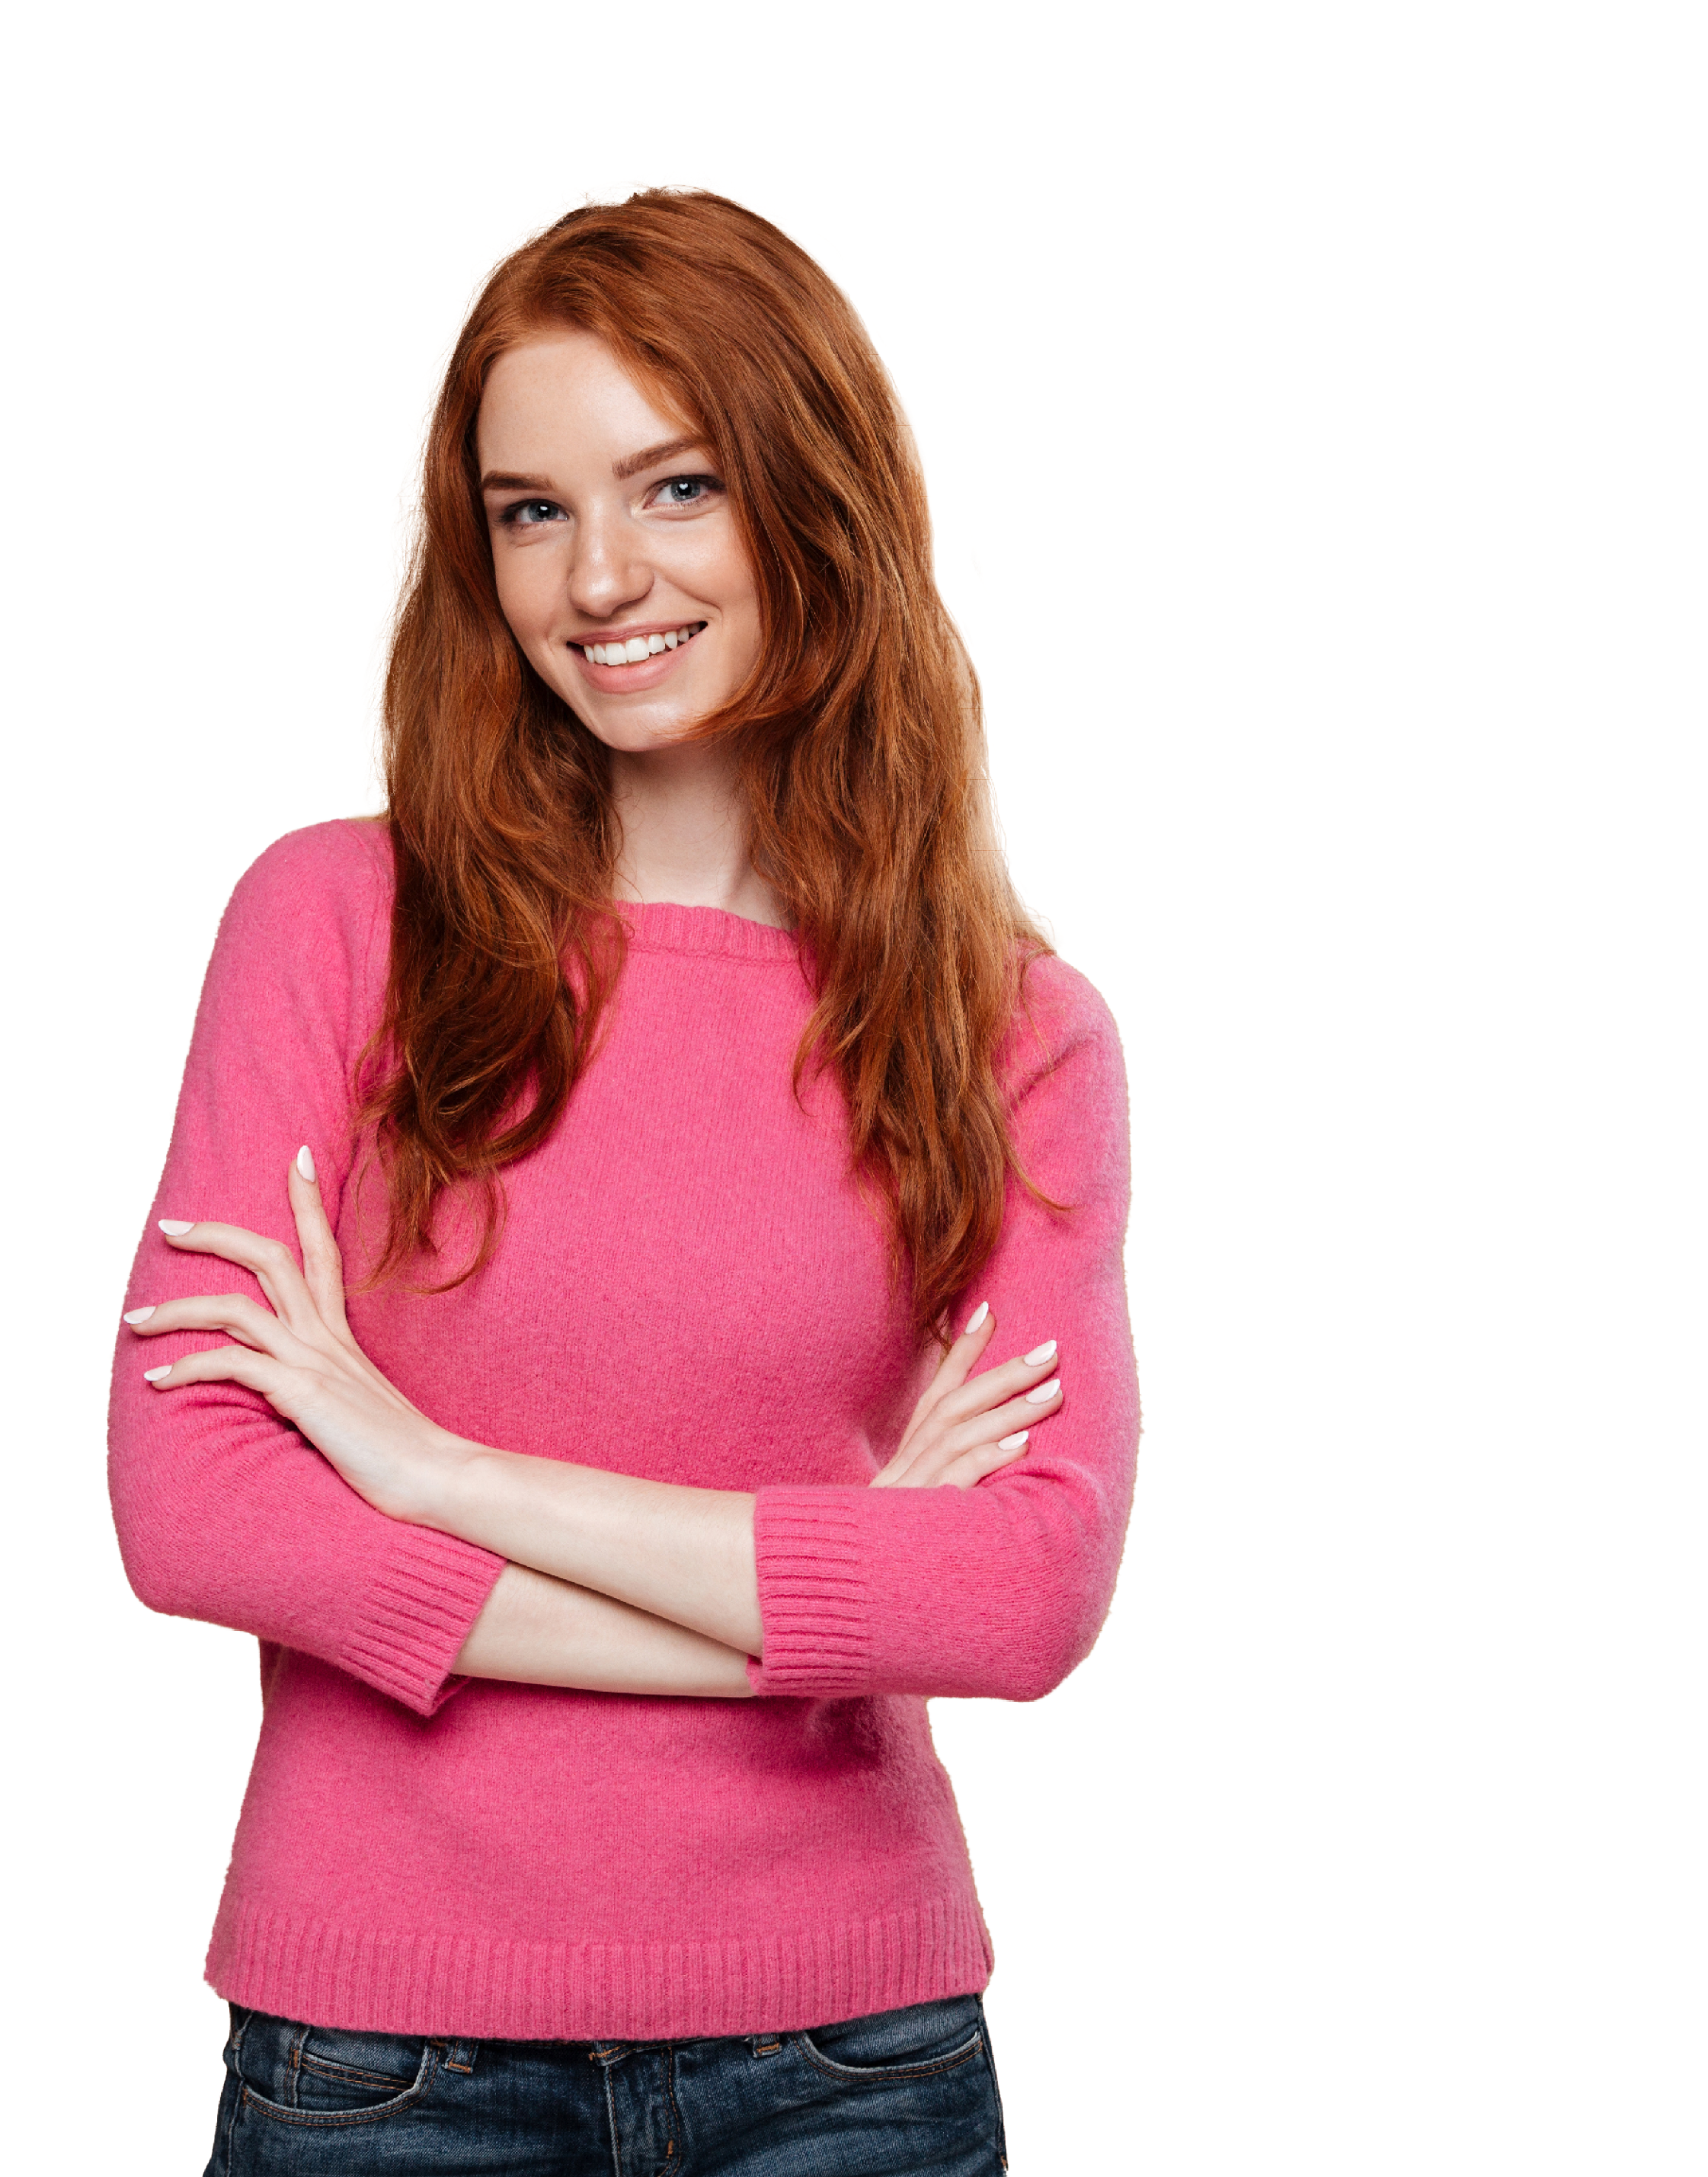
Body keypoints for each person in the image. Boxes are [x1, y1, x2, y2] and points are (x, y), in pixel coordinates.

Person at [104, 177, 1139, 2177]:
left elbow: (1015, 1596)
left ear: (809, 502)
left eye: (674, 489)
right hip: (383, 2059)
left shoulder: (1011, 1028)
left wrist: (426, 1472)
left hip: (847, 2058)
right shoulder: (333, 922)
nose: (597, 578)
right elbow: (198, 1509)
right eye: (530, 509)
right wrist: (822, 1582)